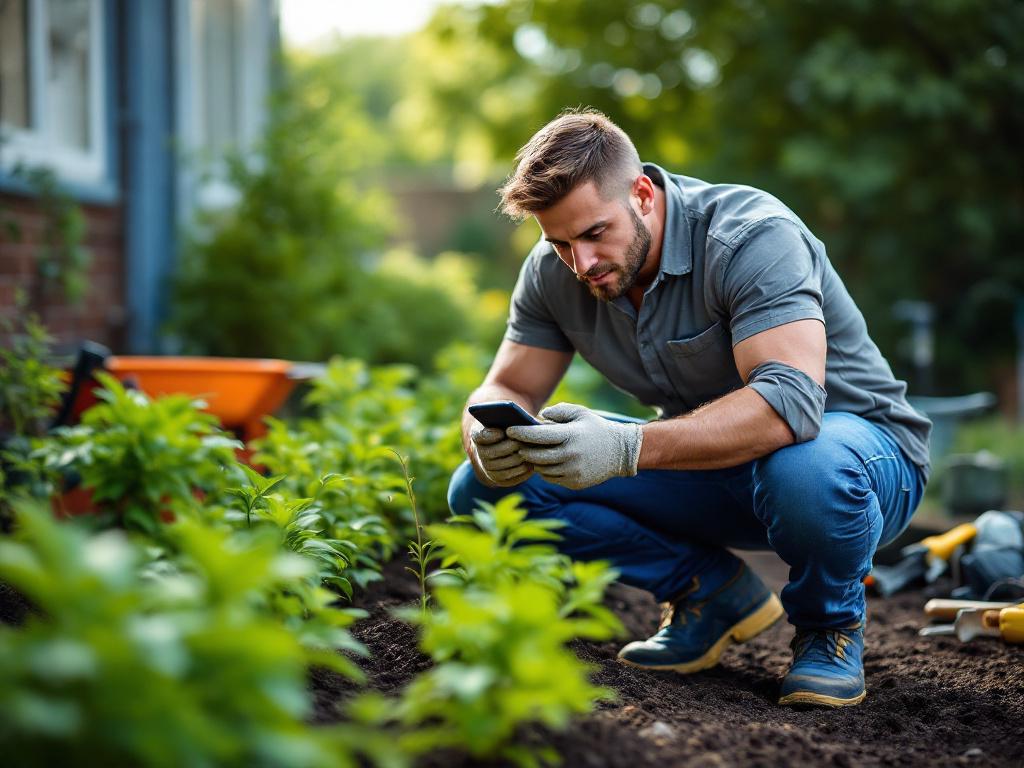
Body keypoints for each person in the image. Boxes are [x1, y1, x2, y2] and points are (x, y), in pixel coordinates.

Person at [447, 108, 931, 708]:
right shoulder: (554, 272)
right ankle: (709, 591)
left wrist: (625, 447)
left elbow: (788, 405)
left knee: (805, 467)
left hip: (856, 468)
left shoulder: (750, 236)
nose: (581, 263)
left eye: (595, 233)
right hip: (718, 471)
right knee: (481, 489)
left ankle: (828, 630)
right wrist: (484, 435)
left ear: (643, 195)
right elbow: (506, 386)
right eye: (561, 243)